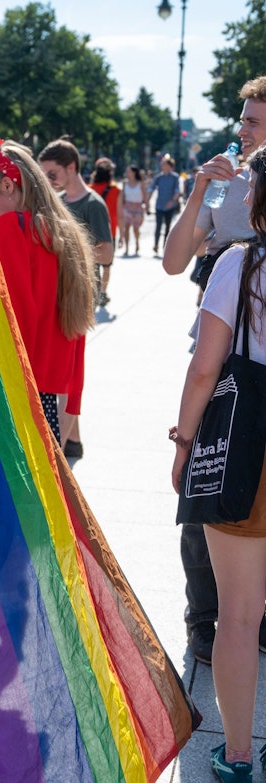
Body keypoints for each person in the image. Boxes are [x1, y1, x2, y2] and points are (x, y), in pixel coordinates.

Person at [170, 143, 266, 783]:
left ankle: (237, 757)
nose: (246, 192)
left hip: (248, 451)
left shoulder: (240, 262)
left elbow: (205, 366)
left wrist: (183, 442)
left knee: (237, 615)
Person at [162, 74, 266, 666]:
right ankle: (204, 618)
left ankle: (251, 617)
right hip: (222, 350)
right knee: (210, 475)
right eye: (242, 117)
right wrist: (200, 189)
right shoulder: (228, 183)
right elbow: (175, 260)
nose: (241, 128)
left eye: (252, 120)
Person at [0, 140, 96, 442]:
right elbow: (78, 330)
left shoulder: (11, 227)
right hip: (50, 394)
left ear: (7, 186)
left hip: (18, 387)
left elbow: (15, 314)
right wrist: (74, 402)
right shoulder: (64, 231)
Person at [38, 138, 114, 459]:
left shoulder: (93, 204)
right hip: (56, 294)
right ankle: (73, 441)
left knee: (67, 375)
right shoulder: (56, 200)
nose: (49, 180)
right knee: (62, 372)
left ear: (71, 167)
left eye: (53, 174)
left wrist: (67, 250)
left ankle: (61, 447)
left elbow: (107, 253)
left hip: (78, 297)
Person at [149, 154, 181, 255]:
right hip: (159, 205)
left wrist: (172, 201)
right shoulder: (158, 177)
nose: (162, 165)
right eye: (162, 164)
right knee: (158, 226)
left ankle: (164, 246)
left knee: (167, 226)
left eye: (164, 164)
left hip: (169, 206)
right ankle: (155, 245)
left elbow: (177, 191)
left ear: (169, 166)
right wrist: (147, 202)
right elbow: (151, 189)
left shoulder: (175, 177)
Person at [90, 158, 120, 255]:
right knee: (107, 262)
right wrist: (122, 234)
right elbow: (120, 213)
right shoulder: (116, 190)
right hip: (110, 231)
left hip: (91, 231)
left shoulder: (88, 189)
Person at [120, 165, 148, 257]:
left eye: (129, 171)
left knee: (136, 229)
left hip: (138, 208)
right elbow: (122, 196)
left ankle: (137, 242)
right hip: (127, 207)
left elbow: (145, 196)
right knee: (126, 227)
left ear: (134, 172)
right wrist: (121, 206)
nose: (127, 173)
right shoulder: (125, 183)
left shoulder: (140, 183)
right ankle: (127, 248)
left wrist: (147, 205)